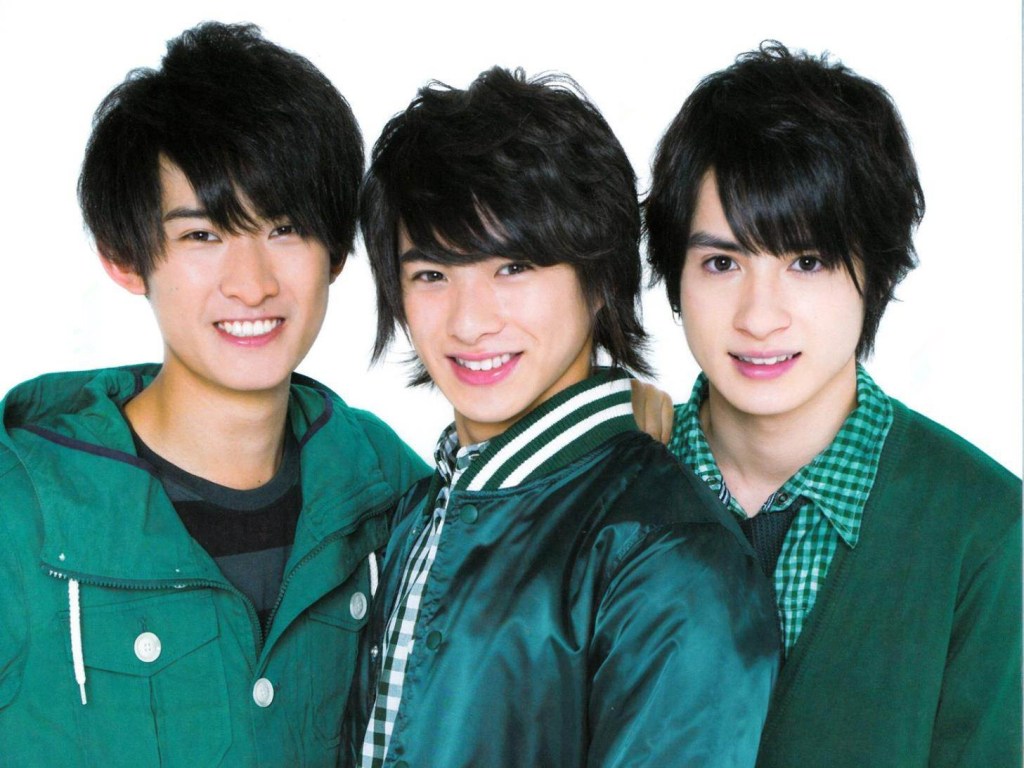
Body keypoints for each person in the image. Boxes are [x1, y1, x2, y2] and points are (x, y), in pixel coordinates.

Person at [0, 22, 430, 766]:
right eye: (202, 236)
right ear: (124, 256)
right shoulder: (22, 507)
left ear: (336, 251)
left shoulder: (382, 485)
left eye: (285, 229)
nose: (252, 284)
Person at [342, 66, 779, 768]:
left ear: (601, 281)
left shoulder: (669, 555)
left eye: (513, 268)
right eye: (431, 275)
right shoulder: (414, 516)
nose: (469, 322)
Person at [645, 42, 1022, 767]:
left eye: (807, 261)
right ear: (675, 273)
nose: (760, 317)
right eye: (722, 262)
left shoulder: (984, 532)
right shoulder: (608, 488)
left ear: (874, 272)